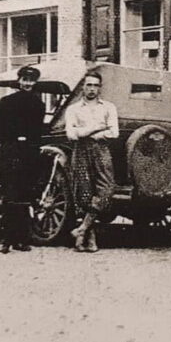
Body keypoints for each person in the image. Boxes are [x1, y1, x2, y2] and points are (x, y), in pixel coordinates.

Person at [65, 70, 119, 253]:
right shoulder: (73, 109)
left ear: (100, 88)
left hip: (102, 150)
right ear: (83, 86)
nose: (92, 89)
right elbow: (71, 134)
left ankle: (81, 229)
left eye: (96, 85)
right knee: (84, 194)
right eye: (89, 85)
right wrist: (96, 128)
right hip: (80, 151)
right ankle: (89, 239)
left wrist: (85, 131)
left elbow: (114, 132)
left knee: (106, 190)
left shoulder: (108, 107)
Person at [0, 65, 45, 254]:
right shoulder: (6, 102)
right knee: (9, 196)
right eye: (24, 80)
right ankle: (7, 239)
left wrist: (29, 145)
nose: (27, 84)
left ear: (35, 82)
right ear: (19, 81)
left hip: (29, 153)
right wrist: (12, 142)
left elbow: (37, 131)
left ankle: (22, 239)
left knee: (25, 196)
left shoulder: (38, 105)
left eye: (31, 81)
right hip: (11, 151)